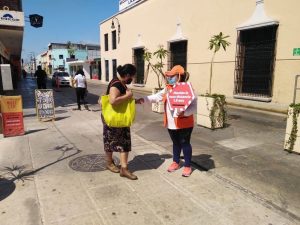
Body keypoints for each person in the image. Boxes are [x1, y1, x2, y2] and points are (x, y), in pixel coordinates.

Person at [136, 65, 197, 177]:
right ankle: (176, 162)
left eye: (172, 76)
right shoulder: (168, 88)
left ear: (179, 76)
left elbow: (194, 106)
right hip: (171, 123)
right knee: (175, 143)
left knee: (185, 143)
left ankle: (188, 165)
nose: (169, 78)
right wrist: (143, 100)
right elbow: (157, 96)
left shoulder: (188, 89)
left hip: (184, 123)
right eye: (168, 76)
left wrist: (185, 112)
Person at [102, 63, 138, 180]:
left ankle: (112, 164)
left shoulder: (119, 82)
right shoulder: (117, 84)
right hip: (115, 118)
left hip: (115, 118)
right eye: (132, 77)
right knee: (122, 143)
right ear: (127, 75)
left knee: (112, 141)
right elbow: (113, 100)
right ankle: (123, 168)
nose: (132, 79)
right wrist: (128, 97)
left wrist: (134, 100)